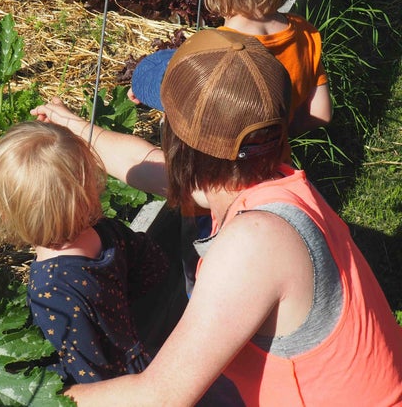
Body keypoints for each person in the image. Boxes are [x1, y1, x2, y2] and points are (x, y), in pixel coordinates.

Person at [33, 28, 402, 405]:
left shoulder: (253, 242)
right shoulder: (274, 183)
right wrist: (75, 127)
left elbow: (159, 397)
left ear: (175, 140)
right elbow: (140, 163)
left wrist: (32, 397)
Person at [130, 0, 335, 294]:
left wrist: (159, 88)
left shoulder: (216, 53)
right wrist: (274, 130)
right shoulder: (305, 34)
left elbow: (179, 90)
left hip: (216, 195)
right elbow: (321, 113)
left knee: (211, 278)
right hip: (274, 182)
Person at [0, 121, 169, 384]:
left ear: (8, 215)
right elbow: (154, 265)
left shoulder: (50, 288)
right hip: (135, 356)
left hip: (116, 387)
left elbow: (88, 374)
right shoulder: (107, 233)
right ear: (88, 188)